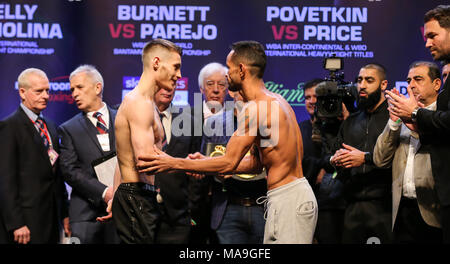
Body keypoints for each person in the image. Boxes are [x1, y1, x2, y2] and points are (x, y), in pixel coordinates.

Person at [137, 40, 318, 244]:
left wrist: (173, 163)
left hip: (288, 199)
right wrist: (205, 162)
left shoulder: (257, 108)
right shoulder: (276, 101)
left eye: (229, 69)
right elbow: (256, 163)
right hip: (290, 196)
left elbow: (229, 163)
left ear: (241, 70)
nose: (226, 75)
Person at [385, 5, 450, 243]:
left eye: (433, 35)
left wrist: (414, 114)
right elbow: (382, 157)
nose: (427, 43)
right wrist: (406, 121)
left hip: (435, 208)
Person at [111, 38, 182, 244]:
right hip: (136, 196)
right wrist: (190, 166)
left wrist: (116, 194)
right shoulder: (139, 103)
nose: (179, 75)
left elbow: (122, 155)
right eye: (176, 67)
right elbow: (146, 161)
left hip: (139, 196)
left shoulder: (148, 103)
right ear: (156, 63)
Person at [374, 61, 442, 243]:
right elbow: (380, 160)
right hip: (402, 211)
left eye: (418, 79)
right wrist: (394, 123)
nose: (411, 85)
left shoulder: (443, 118)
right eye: (409, 80)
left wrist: (415, 116)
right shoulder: (401, 117)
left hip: (436, 213)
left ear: (437, 84)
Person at [0, 68, 69, 244]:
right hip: (26, 224)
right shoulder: (9, 127)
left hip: (52, 220)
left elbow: (56, 176)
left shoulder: (51, 127)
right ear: (22, 92)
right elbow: (6, 180)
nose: (45, 96)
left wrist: (65, 213)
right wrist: (16, 223)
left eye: (47, 90)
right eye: (39, 91)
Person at [330, 63, 392, 244]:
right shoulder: (351, 122)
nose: (362, 85)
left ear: (383, 85)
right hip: (352, 206)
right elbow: (333, 156)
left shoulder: (394, 118)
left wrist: (364, 157)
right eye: (359, 80)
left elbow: (397, 157)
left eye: (369, 80)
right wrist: (336, 160)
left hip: (384, 206)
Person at [58, 65, 120, 244]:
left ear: (97, 87)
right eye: (71, 90)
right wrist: (105, 192)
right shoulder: (68, 129)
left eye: (79, 87)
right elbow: (70, 171)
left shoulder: (123, 118)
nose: (74, 93)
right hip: (86, 215)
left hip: (122, 211)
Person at [201, 89, 267, 244]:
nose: (245, 95)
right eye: (240, 91)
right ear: (232, 92)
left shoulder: (268, 122)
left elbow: (274, 162)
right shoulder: (214, 123)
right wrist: (213, 170)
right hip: (228, 207)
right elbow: (208, 160)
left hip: (262, 206)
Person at [152, 83, 202, 244]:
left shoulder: (190, 122)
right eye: (162, 85)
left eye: (172, 86)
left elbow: (196, 168)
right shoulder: (136, 119)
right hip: (143, 213)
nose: (167, 89)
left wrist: (191, 208)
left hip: (179, 216)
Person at [190, 62, 230, 244]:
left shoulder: (238, 119)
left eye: (221, 85)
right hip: (194, 203)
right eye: (210, 84)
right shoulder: (186, 119)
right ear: (201, 89)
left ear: (228, 89)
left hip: (225, 201)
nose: (215, 90)